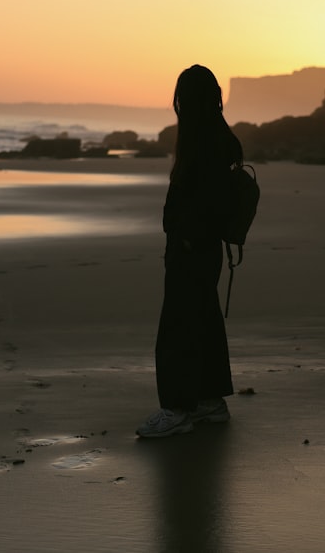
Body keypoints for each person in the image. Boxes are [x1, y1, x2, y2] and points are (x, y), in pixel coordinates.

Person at [136, 64, 244, 438]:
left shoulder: (203, 140)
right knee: (204, 319)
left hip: (192, 245)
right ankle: (210, 400)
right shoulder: (221, 137)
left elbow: (201, 198)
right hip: (205, 245)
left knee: (178, 326)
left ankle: (178, 408)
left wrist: (183, 237)